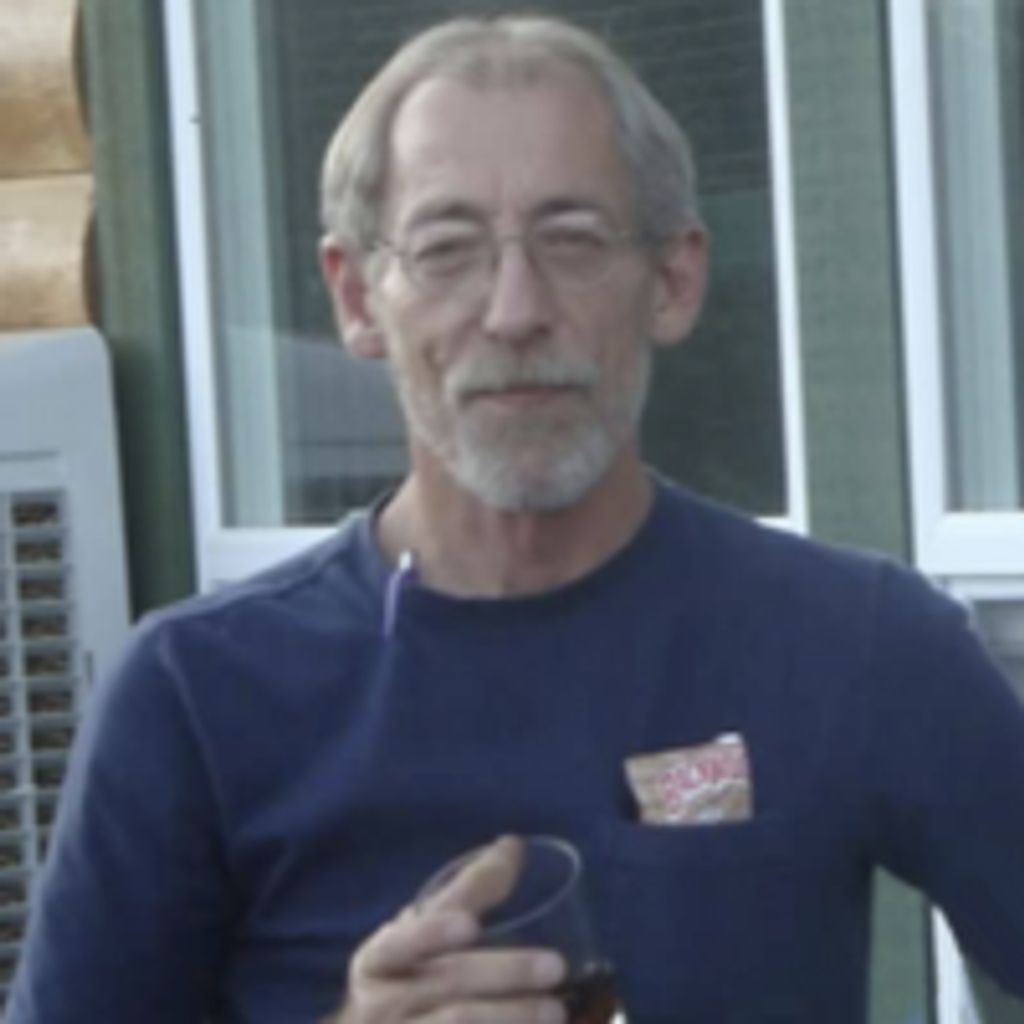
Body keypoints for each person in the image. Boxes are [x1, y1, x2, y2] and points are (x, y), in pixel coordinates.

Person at [9, 12, 1024, 1024]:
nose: (513, 310)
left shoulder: (853, 644)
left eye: (571, 240)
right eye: (447, 249)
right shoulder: (195, 696)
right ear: (357, 297)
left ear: (672, 280)